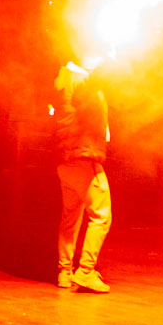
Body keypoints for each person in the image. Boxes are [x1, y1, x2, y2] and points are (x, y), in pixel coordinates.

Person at [51, 60, 112, 292]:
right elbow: (93, 82)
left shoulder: (65, 84)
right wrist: (110, 63)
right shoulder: (82, 84)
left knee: (71, 217)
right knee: (101, 216)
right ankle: (86, 271)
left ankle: (64, 272)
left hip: (65, 161)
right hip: (84, 158)